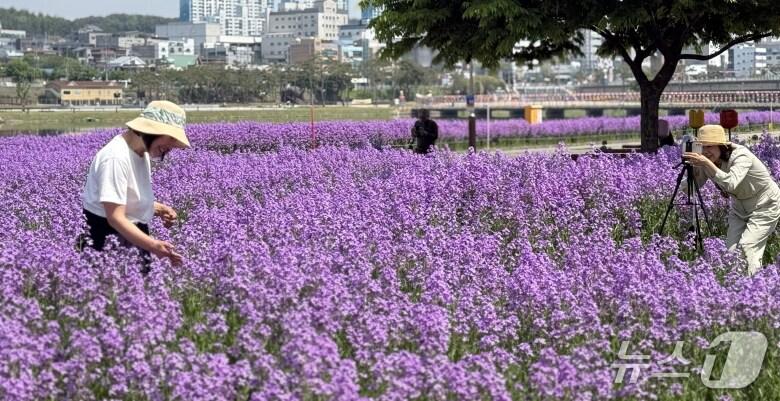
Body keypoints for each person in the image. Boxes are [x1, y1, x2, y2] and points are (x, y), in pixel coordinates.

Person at [80, 100, 190, 272]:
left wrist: (157, 208)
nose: (171, 147)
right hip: (107, 244)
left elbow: (124, 198)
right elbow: (115, 217)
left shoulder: (141, 153)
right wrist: (153, 246)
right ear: (151, 130)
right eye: (170, 138)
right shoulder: (115, 158)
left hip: (132, 237)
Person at [684, 124, 780, 275]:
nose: (705, 151)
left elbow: (730, 183)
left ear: (722, 147)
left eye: (710, 146)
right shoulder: (707, 160)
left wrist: (706, 163)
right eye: (702, 147)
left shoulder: (740, 156)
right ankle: (735, 288)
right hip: (739, 208)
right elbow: (690, 188)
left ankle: (753, 287)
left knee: (747, 247)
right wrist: (691, 168)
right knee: (730, 252)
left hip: (765, 204)